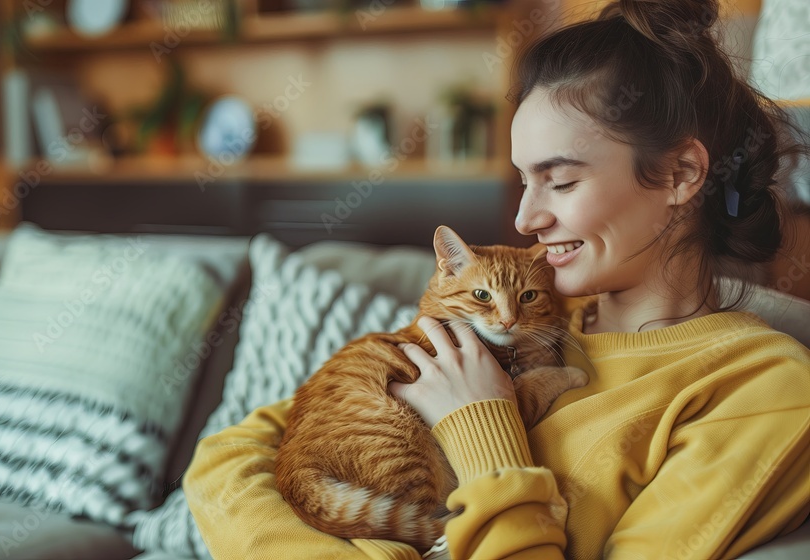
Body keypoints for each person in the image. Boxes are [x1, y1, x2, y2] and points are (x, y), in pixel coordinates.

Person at [183, 0, 810, 557]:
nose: (524, 217)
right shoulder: (543, 329)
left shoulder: (762, 389)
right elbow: (223, 462)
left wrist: (483, 425)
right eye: (525, 179)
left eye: (560, 181)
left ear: (681, 175)